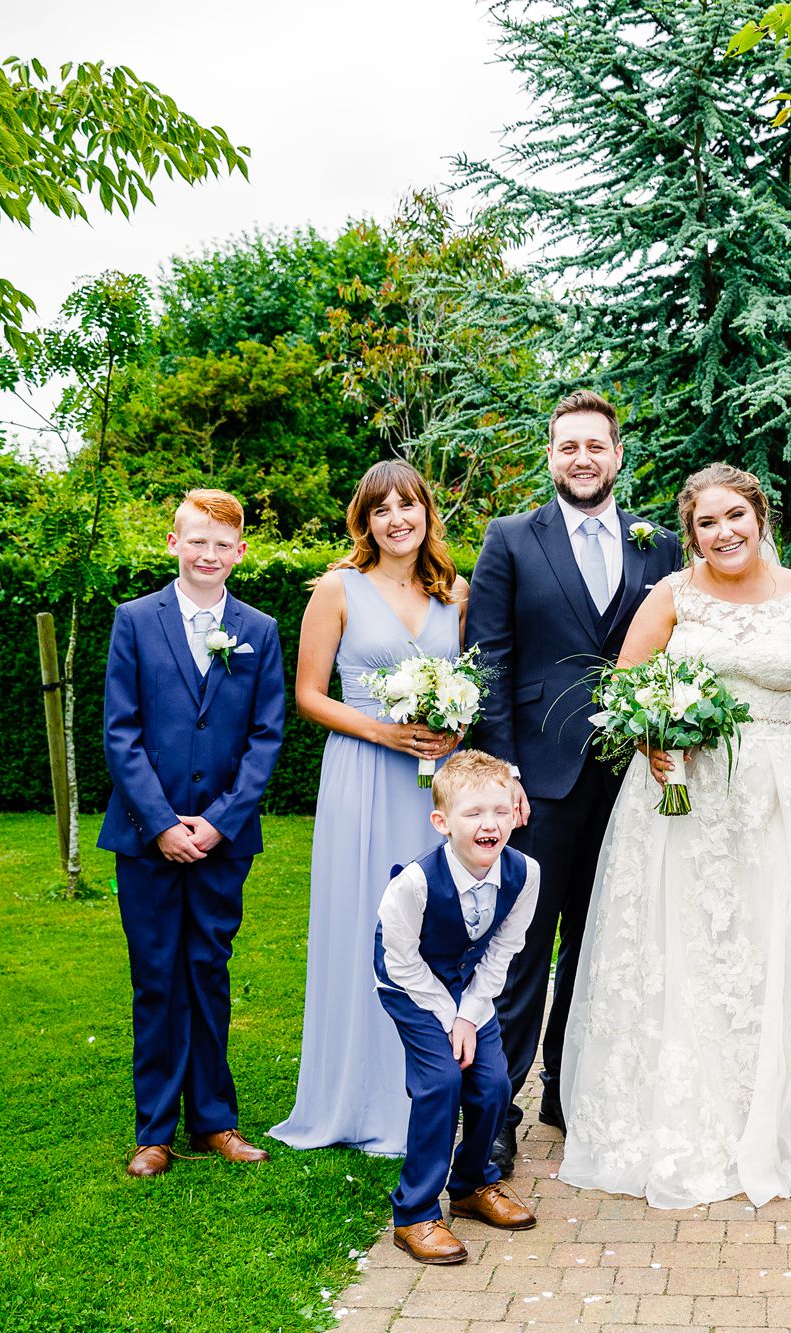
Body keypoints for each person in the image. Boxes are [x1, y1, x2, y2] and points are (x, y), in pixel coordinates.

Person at [558, 464, 791, 1208]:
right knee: (689, 947)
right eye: (706, 522)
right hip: (685, 798)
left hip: (784, 797)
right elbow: (624, 685)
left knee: (780, 941)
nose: (723, 532)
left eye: (735, 516)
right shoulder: (671, 595)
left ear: (761, 516)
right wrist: (648, 740)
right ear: (690, 531)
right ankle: (693, 1115)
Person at [465, 390, 682, 1173]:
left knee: (601, 945)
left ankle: (569, 1086)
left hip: (632, 784)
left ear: (618, 454)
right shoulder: (510, 540)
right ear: (550, 455)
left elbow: (677, 653)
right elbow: (487, 660)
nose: (582, 457)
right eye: (567, 446)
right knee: (520, 952)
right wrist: (504, 774)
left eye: (596, 445)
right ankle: (497, 1111)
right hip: (540, 784)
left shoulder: (660, 545)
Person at [271, 461, 467, 1155]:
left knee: (435, 929)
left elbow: (467, 682)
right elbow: (309, 694)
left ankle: (429, 1089)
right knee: (367, 921)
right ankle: (356, 1096)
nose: (396, 520)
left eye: (407, 505)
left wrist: (457, 724)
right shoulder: (338, 588)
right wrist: (382, 728)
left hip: (433, 784)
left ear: (425, 512)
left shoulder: (455, 591)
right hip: (363, 772)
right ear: (364, 520)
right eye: (380, 509)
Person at [100, 489, 286, 1178]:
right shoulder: (134, 621)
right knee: (155, 978)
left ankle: (215, 1118)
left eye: (223, 544)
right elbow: (121, 733)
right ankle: (153, 1128)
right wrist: (161, 823)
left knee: (208, 971)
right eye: (196, 541)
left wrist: (219, 821)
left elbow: (266, 737)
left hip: (222, 840)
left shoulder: (260, 630)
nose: (209, 554)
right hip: (145, 838)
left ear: (240, 552)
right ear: (173, 543)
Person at [376, 751, 542, 1264]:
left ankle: (471, 1185)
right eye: (473, 814)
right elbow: (400, 963)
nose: (489, 825)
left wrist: (469, 1014)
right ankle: (415, 1213)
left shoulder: (526, 872)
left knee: (493, 1083)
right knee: (442, 1082)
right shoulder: (413, 885)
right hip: (412, 987)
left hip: (471, 990)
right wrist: (449, 1020)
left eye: (499, 810)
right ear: (442, 822)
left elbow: (503, 952)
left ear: (515, 812)